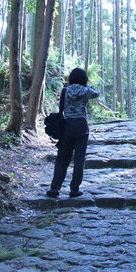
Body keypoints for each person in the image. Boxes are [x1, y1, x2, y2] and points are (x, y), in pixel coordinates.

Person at [46, 67, 100, 198]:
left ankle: (55, 187)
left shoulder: (65, 91)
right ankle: (74, 188)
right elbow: (97, 93)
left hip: (67, 125)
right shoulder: (86, 91)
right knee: (79, 159)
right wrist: (86, 85)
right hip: (82, 125)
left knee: (62, 158)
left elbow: (61, 108)